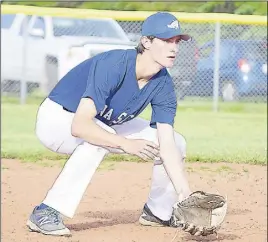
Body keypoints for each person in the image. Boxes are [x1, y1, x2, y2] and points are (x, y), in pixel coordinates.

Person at [26, 12, 193, 237]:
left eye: (176, 41)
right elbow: (81, 127)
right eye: (166, 40)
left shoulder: (163, 83)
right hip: (58, 119)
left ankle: (158, 212)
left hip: (103, 123)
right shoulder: (114, 64)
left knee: (177, 142)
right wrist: (124, 143)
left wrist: (186, 194)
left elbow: (166, 141)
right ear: (146, 42)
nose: (174, 48)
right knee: (99, 137)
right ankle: (46, 211)